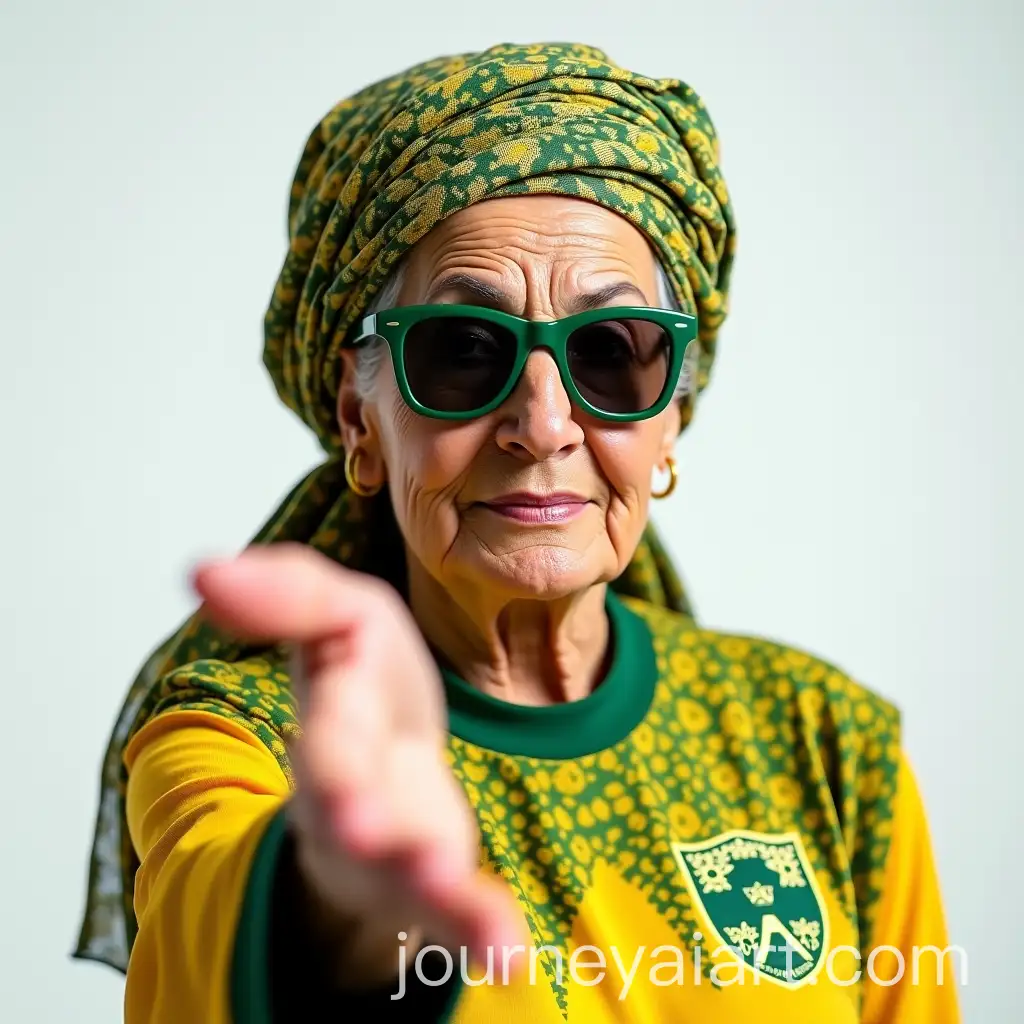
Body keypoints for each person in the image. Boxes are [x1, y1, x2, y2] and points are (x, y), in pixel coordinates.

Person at [74, 42, 960, 1023]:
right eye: (462, 350)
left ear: (672, 411)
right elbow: (220, 909)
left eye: (612, 354)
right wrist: (339, 908)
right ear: (358, 417)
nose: (543, 425)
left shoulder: (826, 743)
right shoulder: (245, 737)